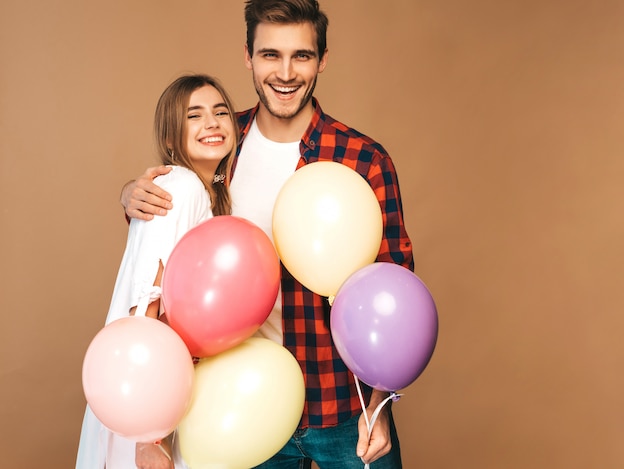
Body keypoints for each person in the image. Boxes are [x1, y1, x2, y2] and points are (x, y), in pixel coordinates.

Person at [121, 1, 413, 467]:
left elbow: (395, 286)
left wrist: (379, 402)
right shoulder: (218, 141)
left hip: (343, 408)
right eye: (270, 55)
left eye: (302, 55)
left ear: (322, 59)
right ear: (248, 57)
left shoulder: (363, 159)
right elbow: (173, 248)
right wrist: (132, 196)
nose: (286, 72)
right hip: (239, 406)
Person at [76, 74, 239, 469]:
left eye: (220, 112)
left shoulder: (208, 191)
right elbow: (147, 304)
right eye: (194, 116)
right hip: (147, 401)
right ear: (170, 139)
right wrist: (149, 437)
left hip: (159, 393)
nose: (212, 123)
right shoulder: (181, 188)